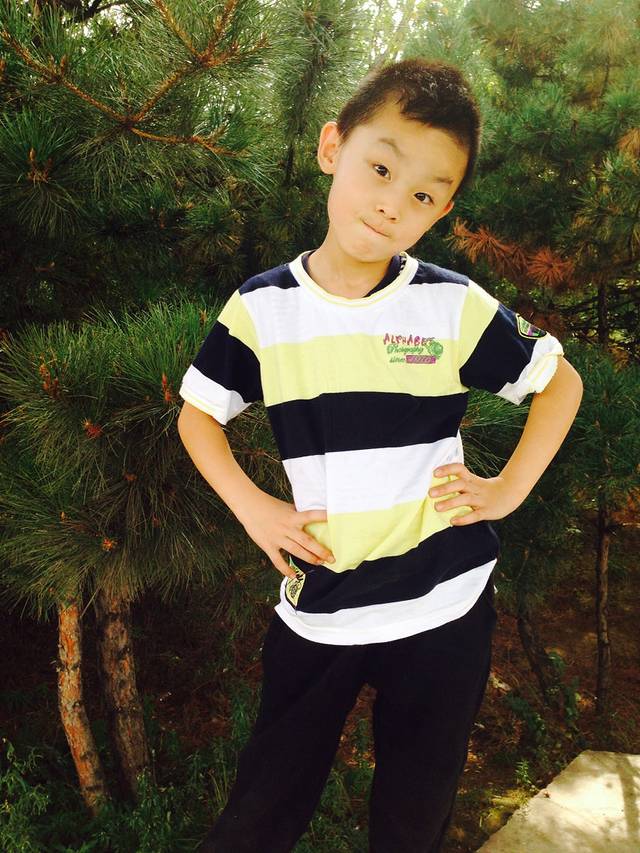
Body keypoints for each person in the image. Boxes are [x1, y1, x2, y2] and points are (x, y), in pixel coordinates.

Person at [177, 57, 583, 853]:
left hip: (445, 604)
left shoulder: (451, 304)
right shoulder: (263, 308)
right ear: (333, 147)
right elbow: (198, 416)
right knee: (260, 813)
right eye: (382, 168)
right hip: (322, 603)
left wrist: (505, 490)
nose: (394, 203)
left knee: (412, 819)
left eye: (425, 195)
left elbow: (559, 382)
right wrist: (254, 508)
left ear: (444, 210)